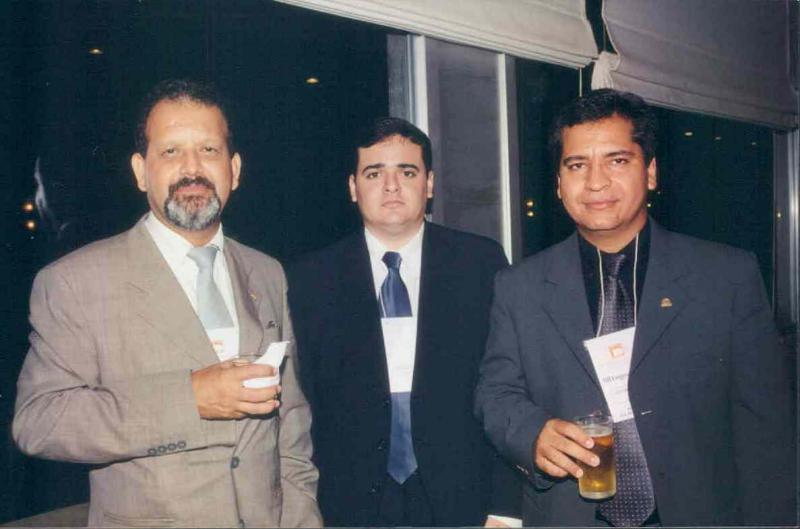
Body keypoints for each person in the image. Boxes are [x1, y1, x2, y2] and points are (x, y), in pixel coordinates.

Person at [475, 89, 796, 527]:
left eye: (617, 161)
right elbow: (495, 394)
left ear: (650, 172)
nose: (596, 182)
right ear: (558, 183)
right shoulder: (520, 286)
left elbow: (767, 432)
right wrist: (532, 434)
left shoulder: (726, 277)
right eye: (577, 165)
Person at [13, 79, 322, 528]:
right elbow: (39, 423)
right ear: (141, 171)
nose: (192, 168)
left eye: (209, 150)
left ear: (234, 169)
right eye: (171, 151)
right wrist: (190, 399)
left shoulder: (267, 272)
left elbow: (290, 428)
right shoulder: (74, 282)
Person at [288, 117, 521, 527]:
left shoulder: (480, 264)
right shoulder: (311, 279)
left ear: (429, 184)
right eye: (374, 173)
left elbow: (509, 385)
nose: (391, 186)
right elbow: (302, 406)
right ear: (353, 187)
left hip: (464, 502)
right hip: (347, 507)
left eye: (407, 172)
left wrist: (506, 508)